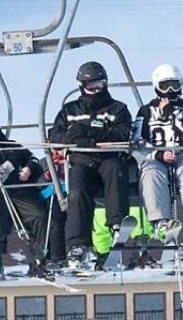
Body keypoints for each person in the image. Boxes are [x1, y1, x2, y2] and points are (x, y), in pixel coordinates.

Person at [48, 61, 132, 269]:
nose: (95, 90)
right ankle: (79, 244)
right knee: (77, 189)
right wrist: (72, 136)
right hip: (82, 162)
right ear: (81, 86)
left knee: (115, 170)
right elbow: (55, 135)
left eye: (99, 85)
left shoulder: (118, 109)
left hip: (108, 159)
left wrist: (89, 135)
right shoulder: (70, 111)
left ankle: (116, 225)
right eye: (90, 86)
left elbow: (122, 134)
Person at [134, 63, 183, 252]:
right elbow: (136, 141)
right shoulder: (145, 111)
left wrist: (173, 115)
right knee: (151, 174)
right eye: (165, 85)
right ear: (156, 86)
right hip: (155, 157)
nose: (170, 91)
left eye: (174, 85)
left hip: (182, 154)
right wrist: (157, 153)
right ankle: (160, 222)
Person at [0, 117, 50, 281]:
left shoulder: (12, 146)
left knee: (39, 215)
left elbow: (32, 159)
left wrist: (28, 169)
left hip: (19, 188)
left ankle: (39, 260)